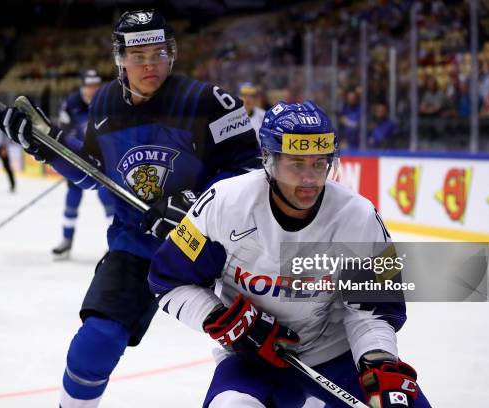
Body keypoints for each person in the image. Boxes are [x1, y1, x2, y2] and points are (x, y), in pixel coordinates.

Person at [0, 9, 259, 407]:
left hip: (216, 249)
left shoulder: (209, 102)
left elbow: (252, 170)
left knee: (260, 355)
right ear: (120, 59)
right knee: (94, 343)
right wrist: (45, 145)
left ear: (172, 53)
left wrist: (195, 204)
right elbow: (94, 174)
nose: (150, 64)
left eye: (159, 52)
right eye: (138, 56)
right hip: (140, 245)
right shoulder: (103, 105)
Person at [148, 101, 431, 407]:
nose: (310, 178)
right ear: (269, 160)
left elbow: (371, 310)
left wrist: (379, 363)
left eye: (320, 163)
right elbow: (169, 281)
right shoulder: (226, 204)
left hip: (336, 353)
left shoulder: (358, 217)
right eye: (297, 163)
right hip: (251, 358)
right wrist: (223, 320)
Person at [52, 70, 115, 259]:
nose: (93, 91)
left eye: (96, 86)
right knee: (72, 198)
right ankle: (66, 239)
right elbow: (64, 134)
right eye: (89, 87)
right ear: (82, 87)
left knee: (108, 199)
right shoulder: (71, 104)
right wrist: (70, 157)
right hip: (77, 159)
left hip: (103, 161)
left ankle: (115, 245)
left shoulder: (108, 102)